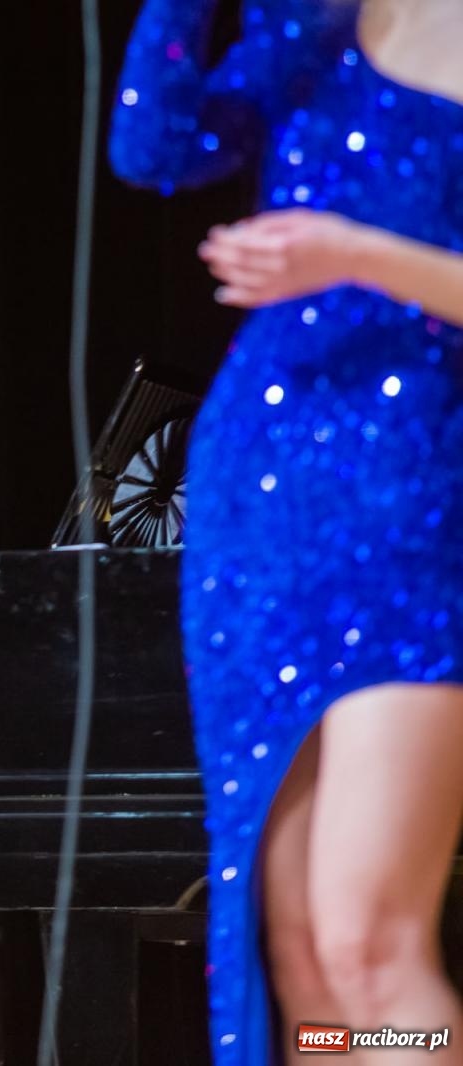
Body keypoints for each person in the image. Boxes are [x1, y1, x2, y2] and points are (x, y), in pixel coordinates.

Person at [110, 0, 463, 1061]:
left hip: (417, 491)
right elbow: (154, 148)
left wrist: (358, 252)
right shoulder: (308, 25)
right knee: (297, 951)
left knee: (367, 943)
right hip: (259, 493)